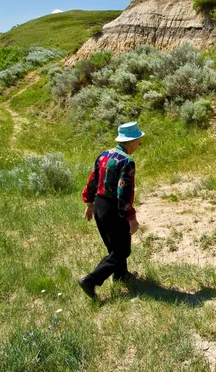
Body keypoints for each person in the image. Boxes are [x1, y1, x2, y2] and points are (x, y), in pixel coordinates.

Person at [78, 121, 143, 300]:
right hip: (114, 208)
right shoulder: (127, 161)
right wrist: (131, 217)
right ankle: (91, 280)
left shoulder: (104, 155)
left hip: (100, 205)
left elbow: (92, 180)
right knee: (122, 250)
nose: (139, 145)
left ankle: (122, 276)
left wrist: (89, 204)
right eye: (139, 141)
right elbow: (124, 192)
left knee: (114, 246)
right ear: (131, 141)